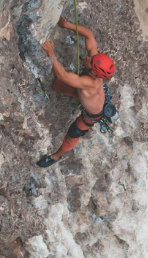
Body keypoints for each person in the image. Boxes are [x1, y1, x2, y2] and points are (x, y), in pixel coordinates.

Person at [37, 17, 117, 168]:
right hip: (97, 98)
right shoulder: (95, 63)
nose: (87, 59)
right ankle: (77, 96)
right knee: (57, 85)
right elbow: (89, 35)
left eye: (90, 63)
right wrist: (66, 24)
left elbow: (64, 75)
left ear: (95, 73)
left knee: (72, 135)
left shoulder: (89, 82)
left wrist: (51, 53)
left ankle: (55, 156)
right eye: (91, 58)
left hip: (93, 114)